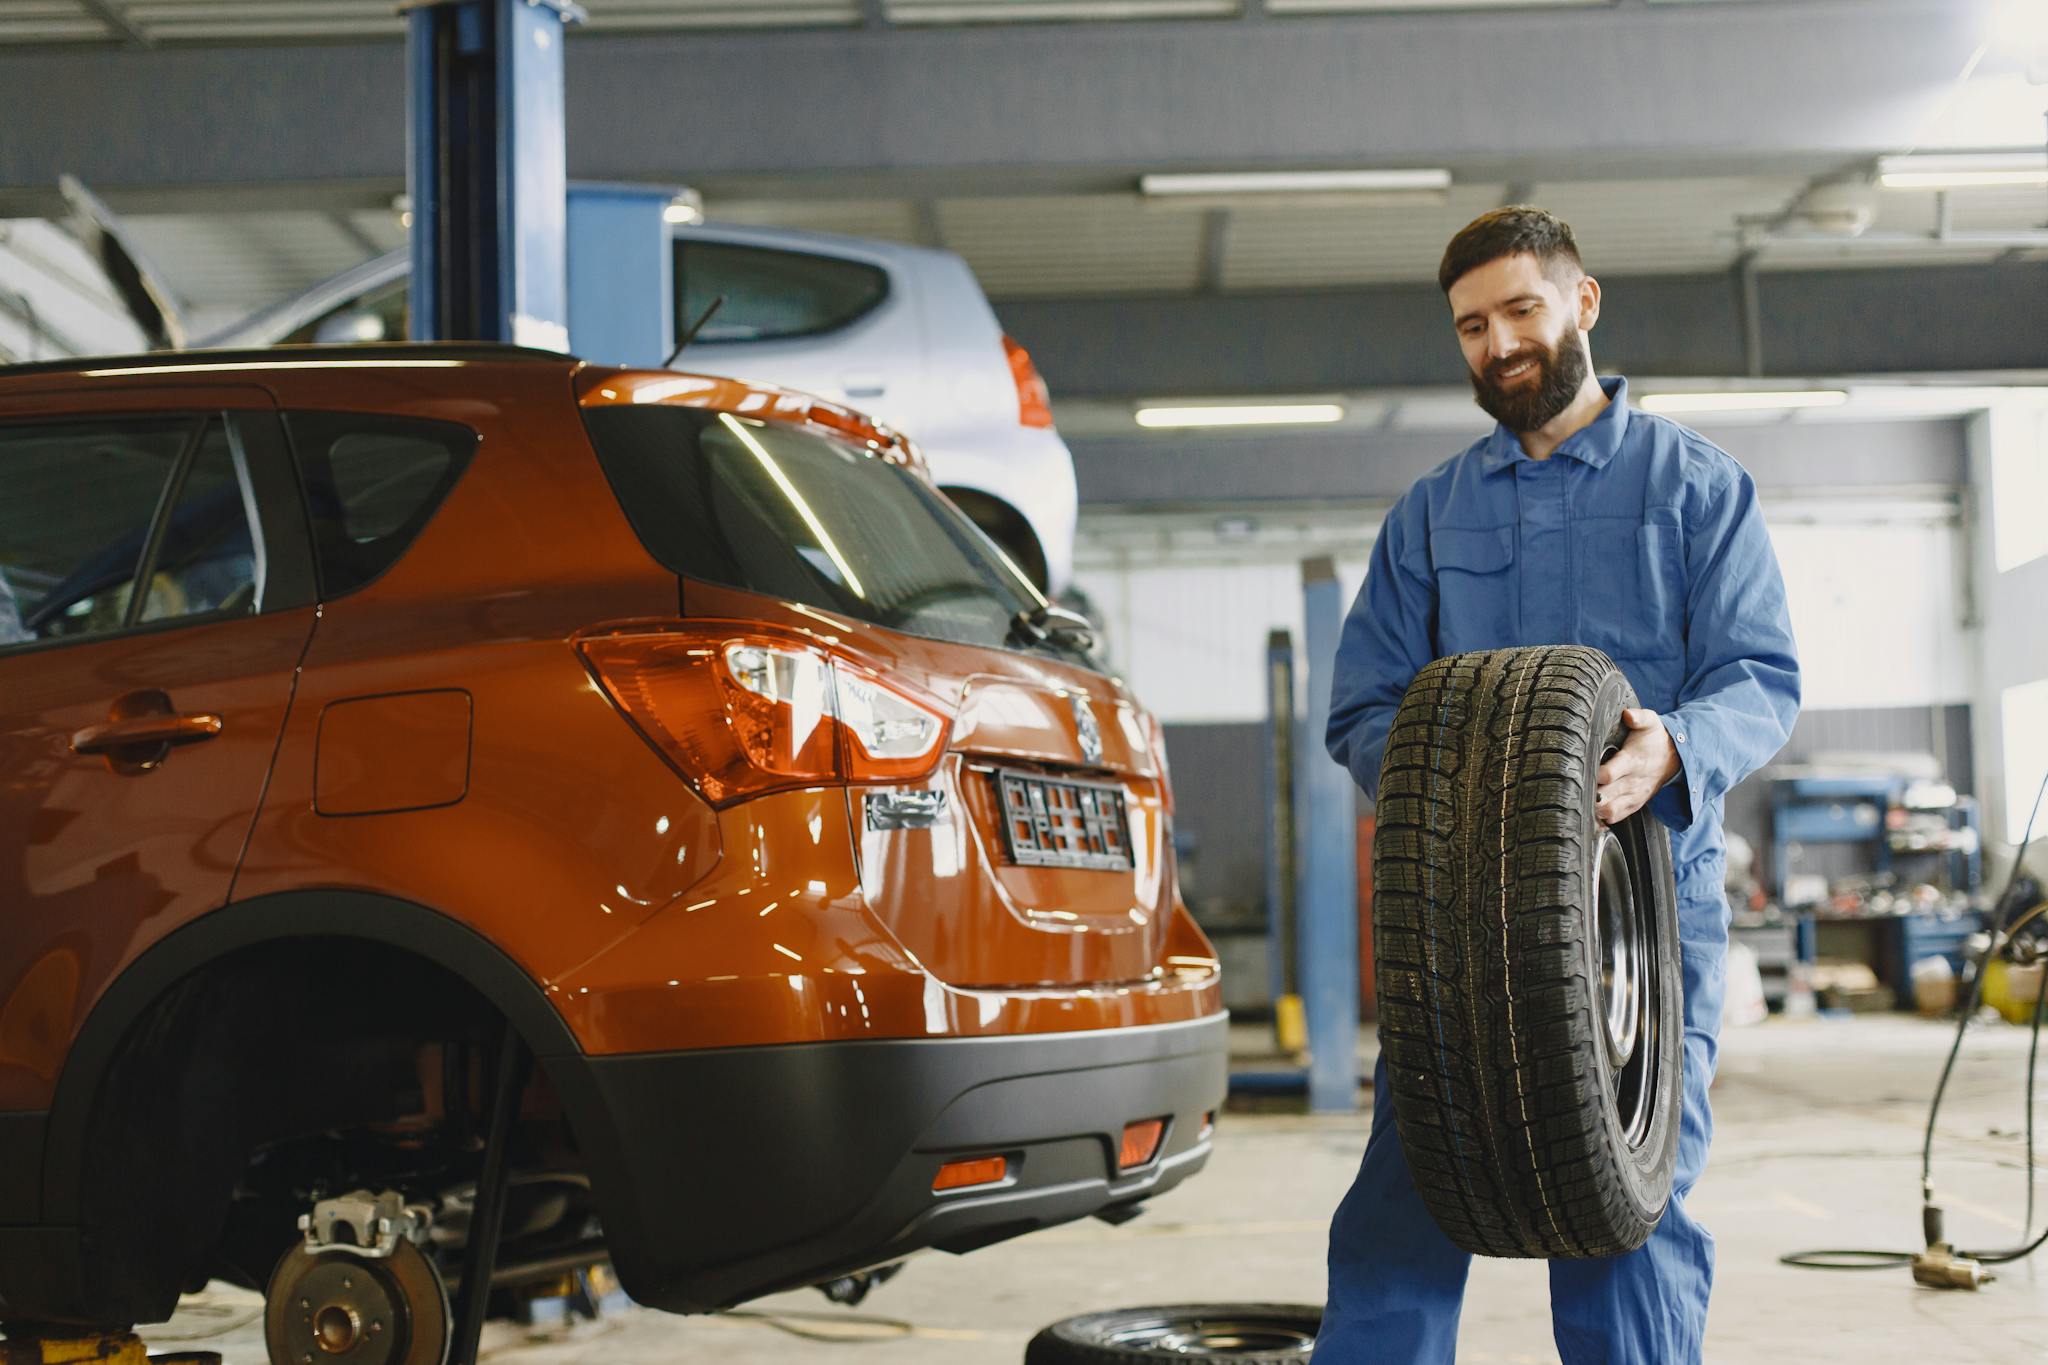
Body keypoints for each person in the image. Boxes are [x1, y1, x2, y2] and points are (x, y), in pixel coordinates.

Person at [1313, 207, 1801, 1365]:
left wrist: (1669, 747)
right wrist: (1459, 795)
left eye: (1519, 311)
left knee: (1626, 1210)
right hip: (1457, 928)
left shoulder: (1695, 490)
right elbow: (1359, 709)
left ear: (1580, 304)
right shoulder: (1430, 515)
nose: (1497, 344)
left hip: (1641, 917)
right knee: (1401, 1201)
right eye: (1470, 327)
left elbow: (1760, 678)